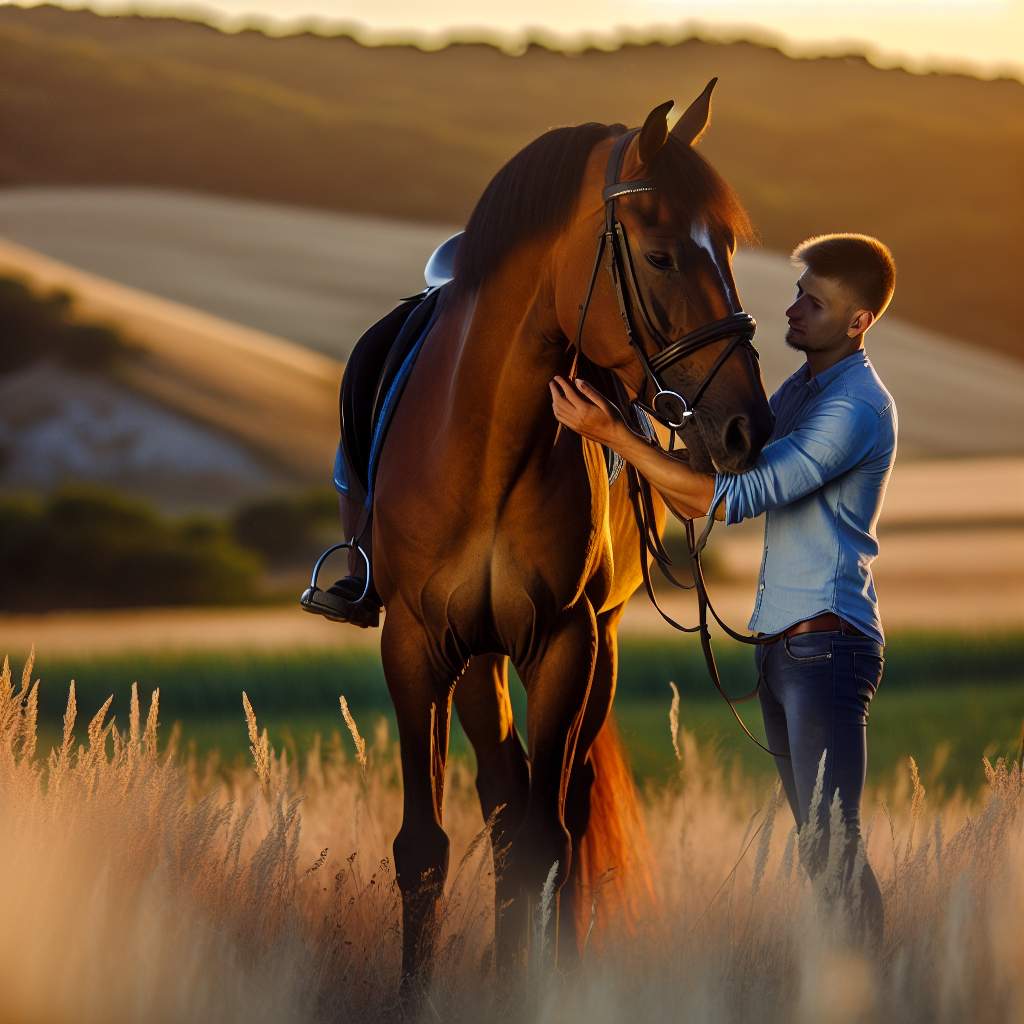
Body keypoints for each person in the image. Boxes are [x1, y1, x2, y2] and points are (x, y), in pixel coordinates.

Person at [550, 232, 897, 949]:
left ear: (859, 321)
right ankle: (852, 985)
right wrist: (631, 425)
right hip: (787, 649)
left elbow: (736, 497)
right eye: (799, 292)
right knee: (817, 847)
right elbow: (692, 495)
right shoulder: (804, 390)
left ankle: (874, 994)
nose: (793, 309)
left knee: (833, 844)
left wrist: (614, 437)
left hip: (827, 650)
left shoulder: (854, 407)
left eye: (815, 301)